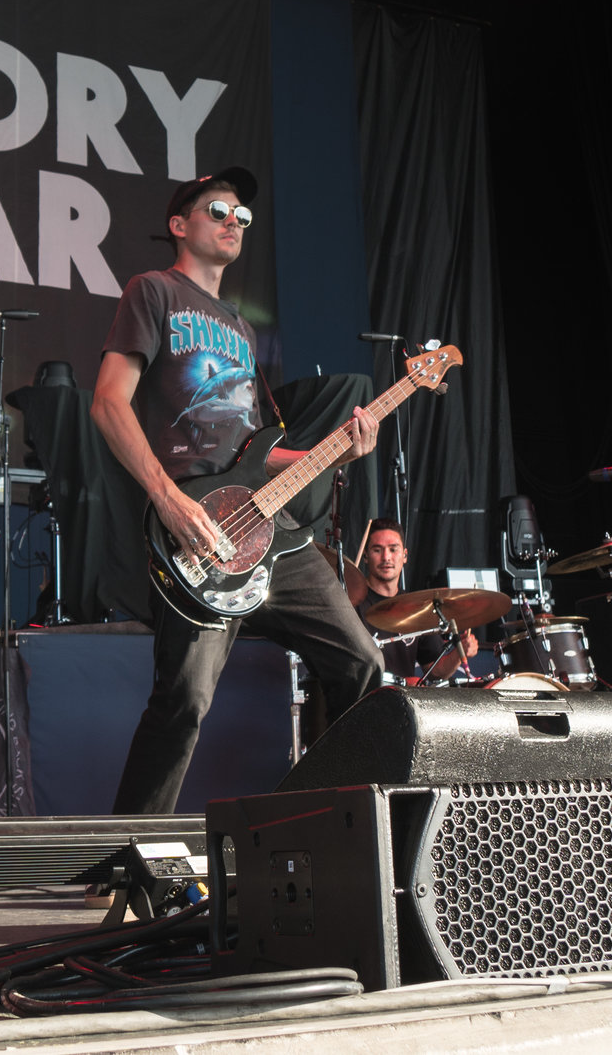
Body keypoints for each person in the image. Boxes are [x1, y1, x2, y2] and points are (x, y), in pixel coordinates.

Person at [94, 167, 386, 814]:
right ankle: (128, 848)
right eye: (219, 211)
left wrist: (336, 450)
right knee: (185, 699)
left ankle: (332, 822)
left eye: (243, 217)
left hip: (268, 527)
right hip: (197, 523)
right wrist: (168, 499)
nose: (234, 222)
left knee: (362, 664)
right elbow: (109, 403)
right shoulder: (153, 291)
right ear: (179, 225)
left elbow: (260, 452)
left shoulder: (242, 330)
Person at [352, 517, 481, 681]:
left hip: (404, 696)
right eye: (377, 550)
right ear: (365, 556)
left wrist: (458, 653)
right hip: (362, 695)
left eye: (393, 549)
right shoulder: (351, 604)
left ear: (405, 555)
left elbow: (435, 671)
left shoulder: (416, 607)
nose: (386, 557)